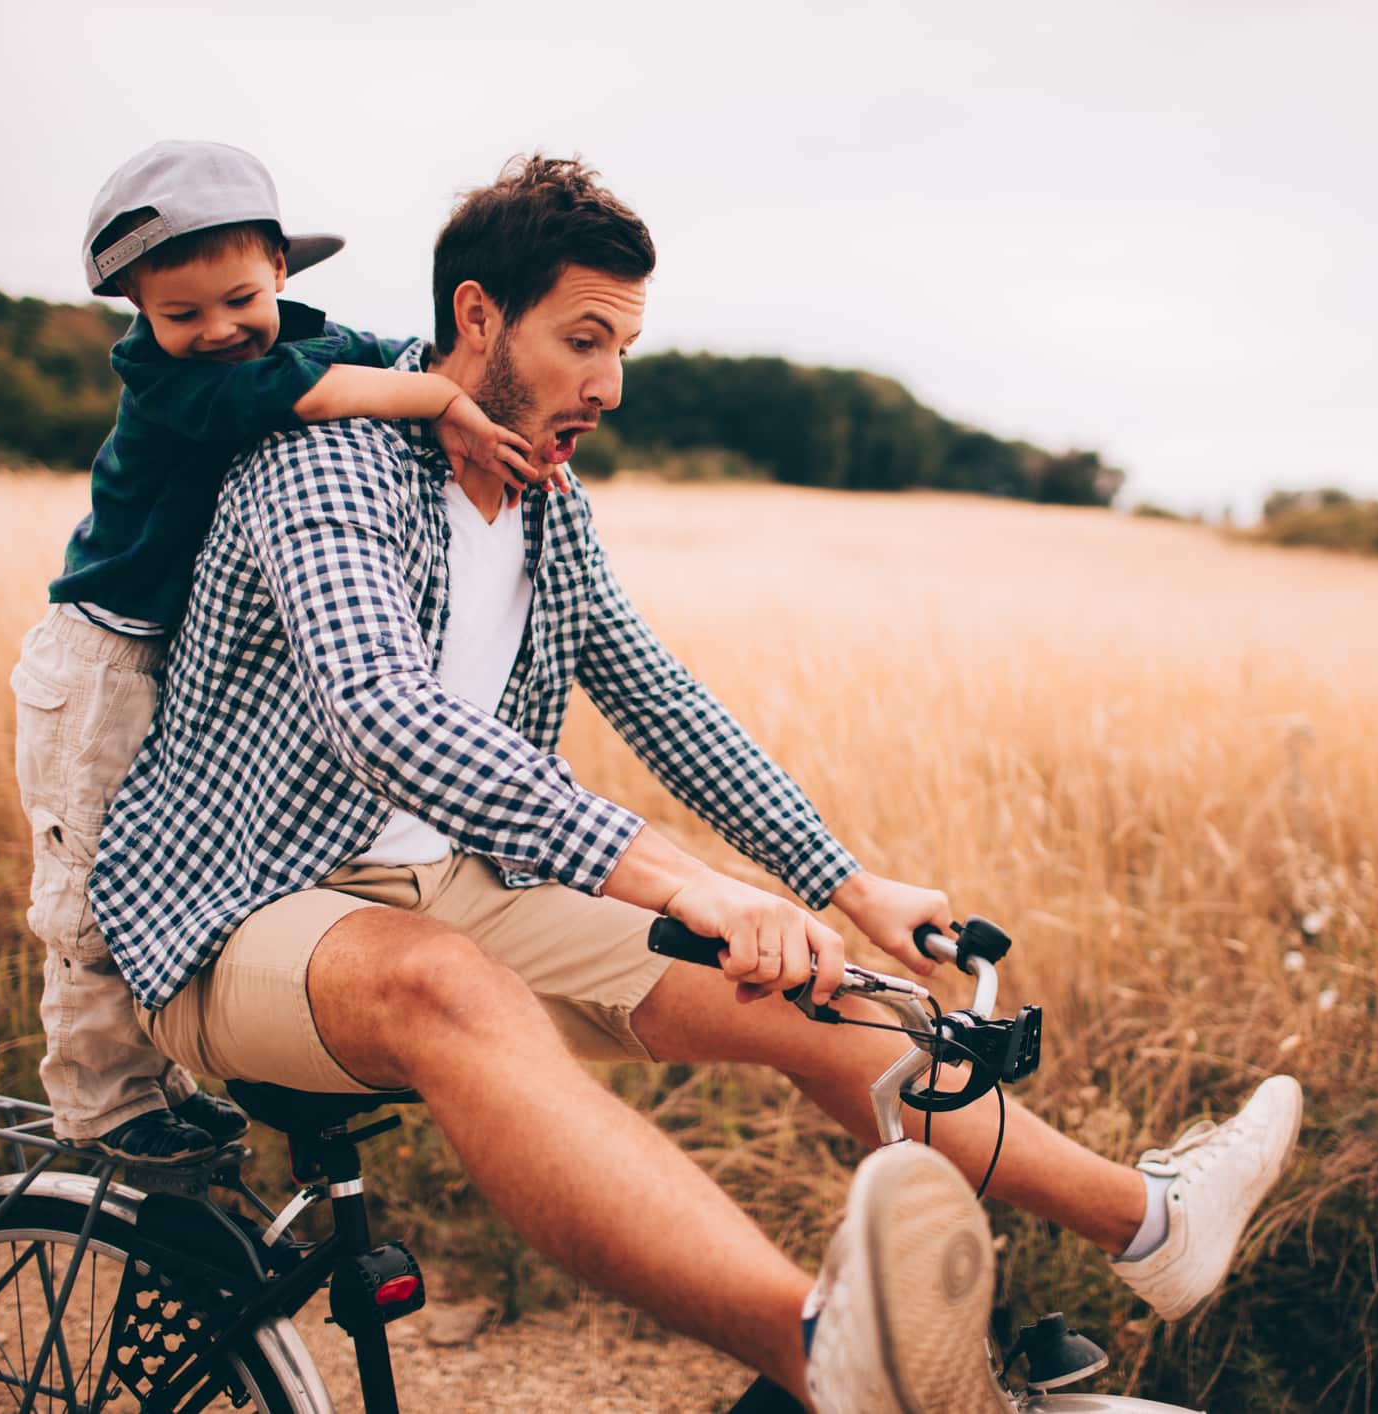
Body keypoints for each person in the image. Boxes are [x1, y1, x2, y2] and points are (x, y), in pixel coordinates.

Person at [89, 154, 1303, 1410]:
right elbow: (386, 714)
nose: (608, 386)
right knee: (441, 985)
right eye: (585, 340)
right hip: (247, 912)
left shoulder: (542, 491)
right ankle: (829, 1349)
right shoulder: (330, 456)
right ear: (476, 318)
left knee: (828, 994)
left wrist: (845, 881)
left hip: (454, 878)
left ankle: (1154, 1225)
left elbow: (657, 696)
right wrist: (686, 880)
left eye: (625, 348)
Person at [11, 140, 548, 1165]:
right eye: (181, 314)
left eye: (238, 300)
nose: (215, 331)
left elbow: (379, 358)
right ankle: (101, 1103)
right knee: (86, 881)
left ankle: (158, 1077)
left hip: (176, 660)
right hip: (103, 661)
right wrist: (441, 402)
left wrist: (464, 372)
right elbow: (296, 397)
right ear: (138, 312)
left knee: (152, 857)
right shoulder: (165, 384)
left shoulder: (307, 340)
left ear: (282, 276)